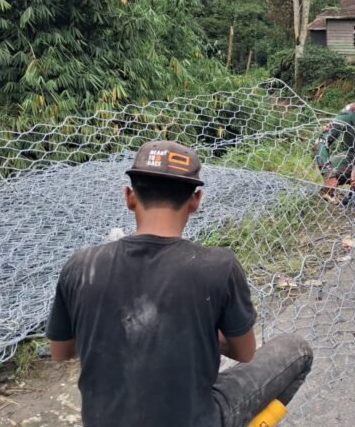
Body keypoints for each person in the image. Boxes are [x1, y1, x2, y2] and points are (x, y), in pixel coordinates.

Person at [47, 140, 313, 427]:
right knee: (296, 350)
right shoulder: (218, 266)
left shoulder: (81, 265)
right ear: (196, 200)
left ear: (129, 196)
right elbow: (245, 352)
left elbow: (60, 352)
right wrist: (194, 333)